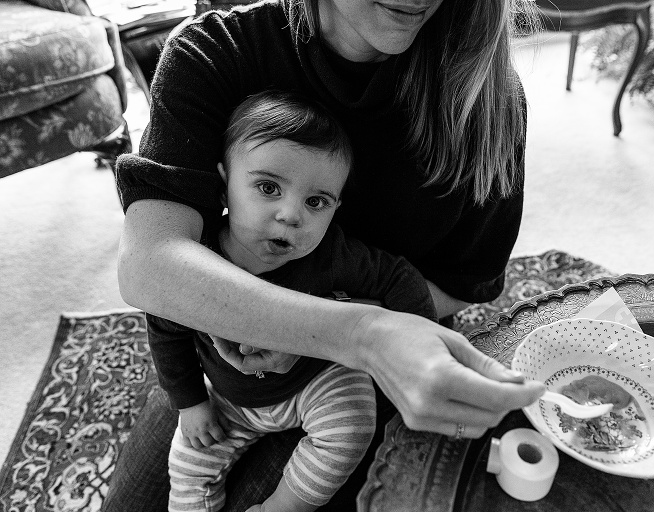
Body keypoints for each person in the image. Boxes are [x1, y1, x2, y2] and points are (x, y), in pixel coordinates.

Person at [104, 0, 546, 510]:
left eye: (316, 203)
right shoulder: (216, 52)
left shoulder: (489, 101)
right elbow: (149, 266)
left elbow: (465, 280)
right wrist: (348, 332)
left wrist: (345, 339)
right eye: (267, 188)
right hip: (221, 371)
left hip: (360, 373)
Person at [144, 89, 437, 512]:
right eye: (268, 187)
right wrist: (190, 403)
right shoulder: (199, 260)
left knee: (354, 424)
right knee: (187, 466)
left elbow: (400, 278)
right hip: (226, 399)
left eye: (315, 202)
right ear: (224, 187)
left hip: (316, 382)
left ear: (336, 207)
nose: (291, 215)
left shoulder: (333, 254)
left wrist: (417, 347)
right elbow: (164, 330)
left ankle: (283, 507)